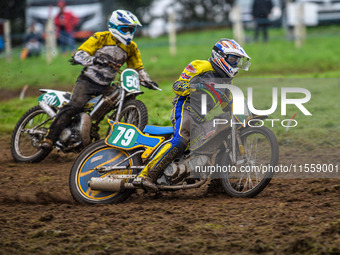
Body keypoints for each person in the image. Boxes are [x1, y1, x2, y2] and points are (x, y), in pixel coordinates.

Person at [133, 39, 251, 192]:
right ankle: (145, 175)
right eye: (233, 59)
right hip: (184, 108)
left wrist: (245, 108)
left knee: (222, 136)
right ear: (220, 56)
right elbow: (178, 86)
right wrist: (197, 86)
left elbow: (228, 102)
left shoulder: (227, 81)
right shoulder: (200, 66)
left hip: (201, 117)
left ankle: (218, 184)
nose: (235, 64)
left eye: (238, 60)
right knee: (181, 138)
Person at [41, 10, 158, 149]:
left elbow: (137, 68)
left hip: (106, 84)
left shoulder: (131, 47)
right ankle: (49, 138)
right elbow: (79, 55)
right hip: (88, 81)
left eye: (131, 29)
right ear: (115, 26)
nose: (128, 32)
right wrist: (94, 59)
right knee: (75, 105)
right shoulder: (101, 37)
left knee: (116, 98)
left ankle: (95, 132)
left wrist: (147, 80)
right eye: (125, 29)